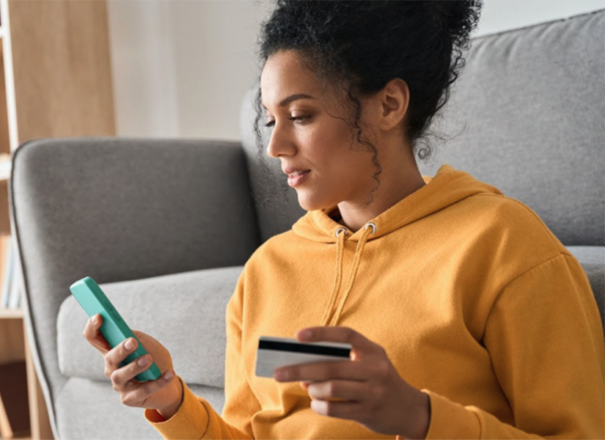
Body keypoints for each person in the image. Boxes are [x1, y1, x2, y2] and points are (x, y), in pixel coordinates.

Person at [82, 0, 605, 438]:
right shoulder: (268, 270)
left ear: (390, 104)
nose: (274, 146)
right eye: (269, 120)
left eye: (301, 116)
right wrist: (172, 402)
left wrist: (420, 418)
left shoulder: (504, 246)